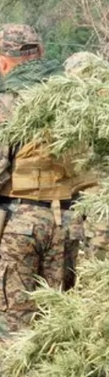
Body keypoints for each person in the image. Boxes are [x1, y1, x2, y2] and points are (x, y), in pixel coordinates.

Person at [0, 24, 94, 342]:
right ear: (41, 53)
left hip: (18, 226)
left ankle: (15, 376)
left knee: (14, 324)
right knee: (59, 322)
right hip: (70, 223)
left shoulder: (6, 104)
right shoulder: (75, 97)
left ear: (2, 61)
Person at [63, 51, 109, 262]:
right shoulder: (75, 114)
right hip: (85, 202)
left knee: (99, 261)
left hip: (99, 207)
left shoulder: (89, 114)